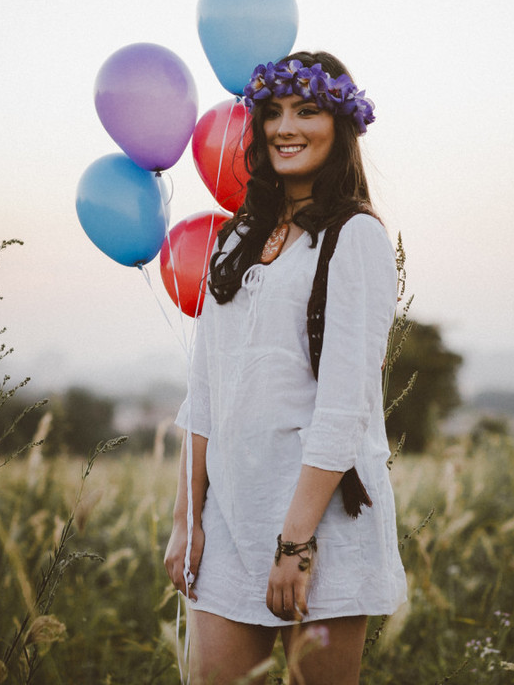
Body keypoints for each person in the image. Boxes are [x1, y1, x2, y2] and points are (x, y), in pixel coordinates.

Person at [164, 51, 407, 684]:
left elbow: (344, 406)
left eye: (306, 110)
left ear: (341, 125)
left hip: (319, 525)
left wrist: (295, 545)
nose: (285, 127)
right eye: (272, 112)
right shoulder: (236, 237)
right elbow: (206, 392)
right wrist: (187, 520)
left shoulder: (355, 238)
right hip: (229, 521)